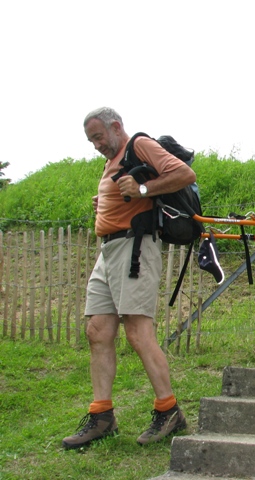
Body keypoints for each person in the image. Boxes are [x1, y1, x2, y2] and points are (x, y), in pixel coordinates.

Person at [62, 107, 193, 449]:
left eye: (98, 137)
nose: (95, 145)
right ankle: (102, 416)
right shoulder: (112, 160)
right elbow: (127, 192)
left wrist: (143, 190)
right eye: (91, 140)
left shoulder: (139, 143)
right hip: (109, 252)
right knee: (98, 330)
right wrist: (105, 201)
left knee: (137, 330)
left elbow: (183, 174)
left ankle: (169, 411)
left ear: (115, 127)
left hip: (134, 249)